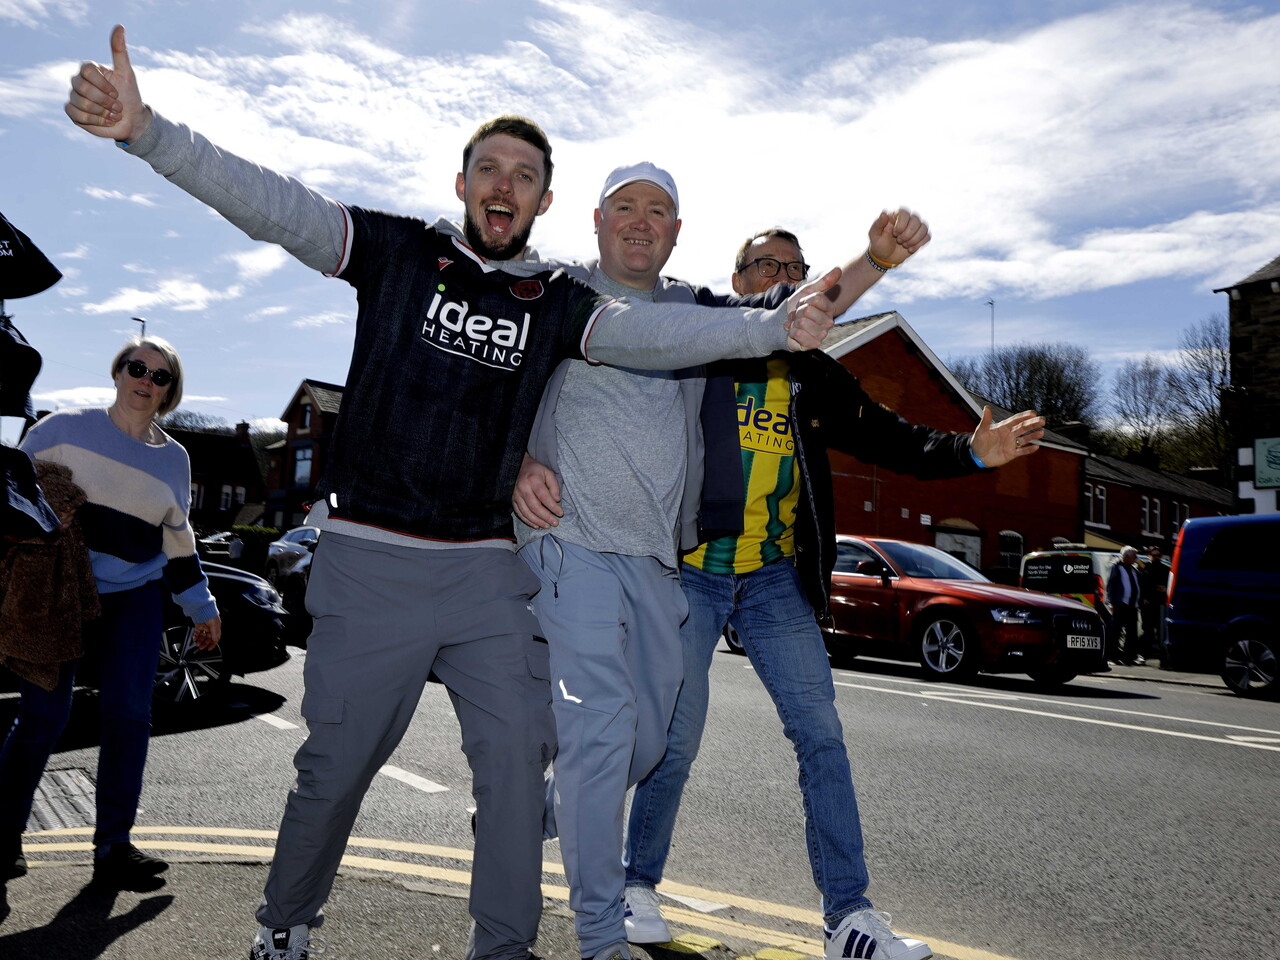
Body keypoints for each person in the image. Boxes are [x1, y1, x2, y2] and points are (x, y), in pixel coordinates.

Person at [65, 27, 841, 960]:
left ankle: (502, 948)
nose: (503, 186)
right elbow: (277, 207)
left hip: (484, 572)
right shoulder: (396, 255)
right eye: (489, 169)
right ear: (463, 184)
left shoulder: (558, 301)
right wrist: (149, 134)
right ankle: (285, 924)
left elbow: (653, 336)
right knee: (335, 766)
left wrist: (769, 326)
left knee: (517, 760)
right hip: (372, 560)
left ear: (543, 200)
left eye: (523, 175)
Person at [617, 228, 1045, 960]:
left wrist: (974, 452)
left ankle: (848, 917)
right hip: (691, 570)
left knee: (821, 736)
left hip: (776, 577)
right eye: (767, 265)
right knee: (673, 739)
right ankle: (634, 887)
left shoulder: (810, 372)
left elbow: (892, 436)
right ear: (737, 277)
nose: (783, 277)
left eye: (794, 267)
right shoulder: (701, 346)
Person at [0, 336, 222, 891]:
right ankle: (2, 840)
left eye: (161, 375)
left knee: (129, 718)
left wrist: (202, 607)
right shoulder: (60, 429)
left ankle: (114, 848)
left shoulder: (175, 458)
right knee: (43, 720)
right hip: (59, 596)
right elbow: (10, 497)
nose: (146, 380)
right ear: (118, 372)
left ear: (171, 391)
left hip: (135, 598)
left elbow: (178, 537)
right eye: (137, 367)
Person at [1107, 546, 1143, 665]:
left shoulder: (1134, 569)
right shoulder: (1116, 568)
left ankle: (1129, 657)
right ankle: (1113, 656)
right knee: (1116, 632)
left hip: (1133, 606)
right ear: (1126, 557)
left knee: (1132, 633)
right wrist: (1111, 602)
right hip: (1120, 604)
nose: (1136, 558)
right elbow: (1111, 586)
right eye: (1134, 556)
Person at [1139, 546, 1166, 660]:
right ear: (1149, 555)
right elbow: (1141, 586)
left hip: (1160, 604)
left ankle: (1162, 655)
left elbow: (1168, 585)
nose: (1156, 557)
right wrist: (1144, 597)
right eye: (1153, 555)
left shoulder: (1165, 569)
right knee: (1148, 631)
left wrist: (1164, 589)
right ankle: (1144, 654)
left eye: (1158, 555)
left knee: (1160, 631)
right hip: (1148, 604)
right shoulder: (1144, 568)